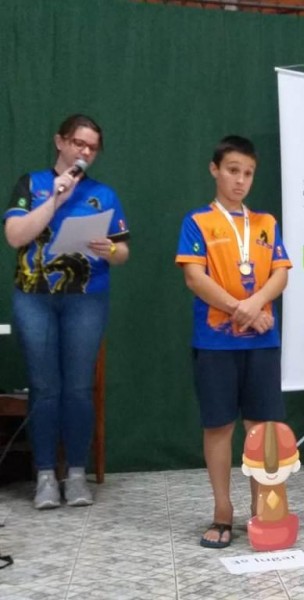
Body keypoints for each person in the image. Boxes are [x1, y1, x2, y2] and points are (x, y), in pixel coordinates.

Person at [3, 114, 130, 509]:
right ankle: (45, 476)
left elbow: (123, 251)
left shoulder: (103, 194)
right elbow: (15, 236)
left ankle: (76, 474)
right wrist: (56, 199)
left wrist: (110, 249)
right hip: (34, 298)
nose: (85, 152)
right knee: (44, 387)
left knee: (77, 387)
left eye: (92, 148)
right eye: (79, 143)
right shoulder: (31, 184)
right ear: (60, 142)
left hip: (87, 298)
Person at [175, 135, 291, 549]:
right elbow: (195, 277)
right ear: (215, 170)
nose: (240, 180)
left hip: (262, 342)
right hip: (216, 343)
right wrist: (242, 309)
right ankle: (222, 511)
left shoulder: (266, 223)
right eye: (232, 171)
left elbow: (280, 273)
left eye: (248, 173)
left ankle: (264, 508)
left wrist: (256, 304)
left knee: (262, 429)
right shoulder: (197, 221)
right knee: (219, 425)